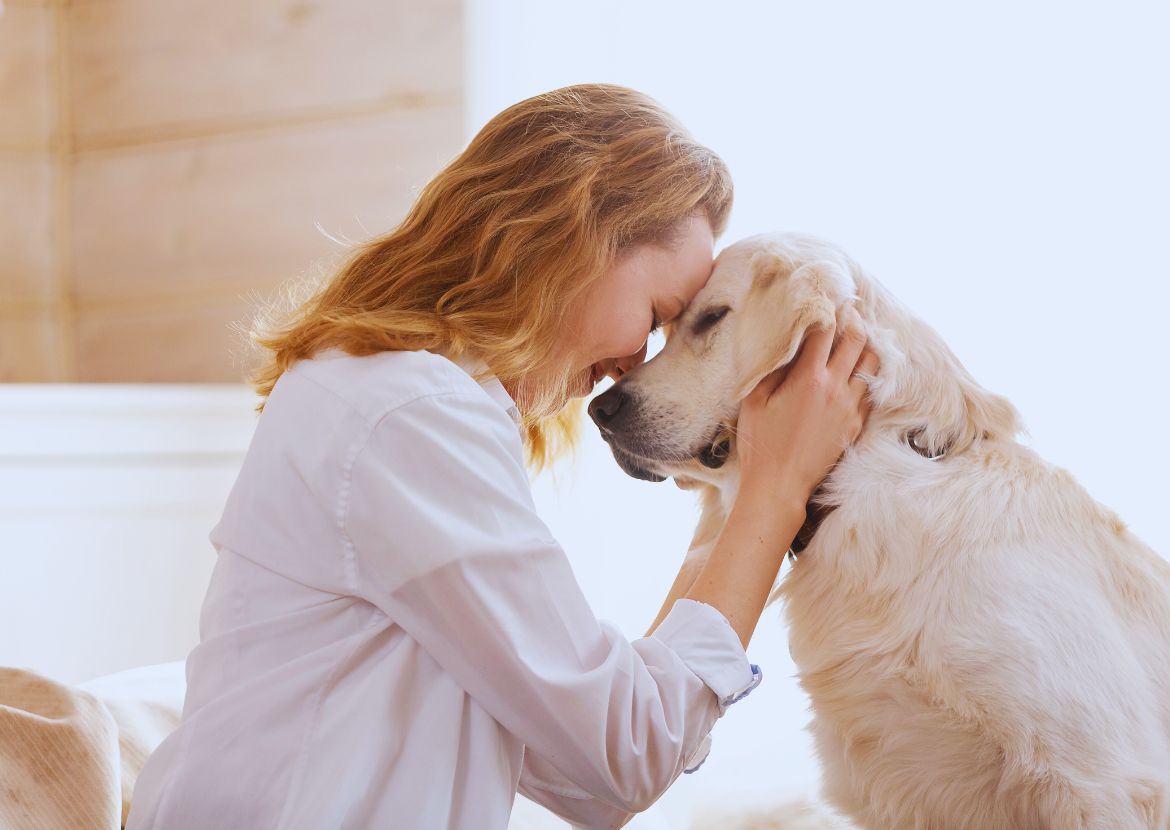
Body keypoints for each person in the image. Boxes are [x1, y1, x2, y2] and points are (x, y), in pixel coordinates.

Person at [126, 84, 875, 829]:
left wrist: (740, 490)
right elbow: (628, 752)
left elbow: (592, 785)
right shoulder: (409, 414)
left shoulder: (391, 395)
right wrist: (772, 495)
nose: (633, 365)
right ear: (573, 240)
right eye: (656, 316)